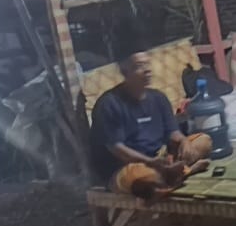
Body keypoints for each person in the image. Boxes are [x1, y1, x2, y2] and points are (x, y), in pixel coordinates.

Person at [89, 50, 212, 198]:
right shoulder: (109, 103)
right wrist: (150, 162)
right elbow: (118, 150)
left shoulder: (158, 98)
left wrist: (184, 141)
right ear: (125, 71)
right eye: (139, 66)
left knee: (204, 141)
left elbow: (173, 132)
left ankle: (171, 174)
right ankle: (183, 172)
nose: (147, 70)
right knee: (141, 177)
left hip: (159, 158)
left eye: (147, 64)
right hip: (127, 166)